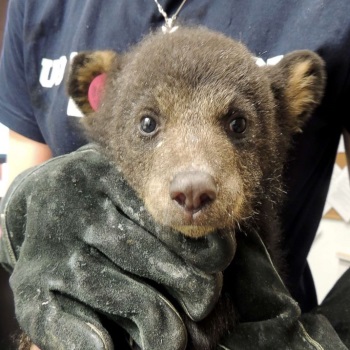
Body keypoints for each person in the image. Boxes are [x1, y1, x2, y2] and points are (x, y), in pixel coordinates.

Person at [0, 1, 349, 349]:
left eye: (237, 124)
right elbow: (24, 183)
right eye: (149, 125)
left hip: (271, 319)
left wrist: (327, 339)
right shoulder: (38, 5)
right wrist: (26, 241)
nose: (193, 179)